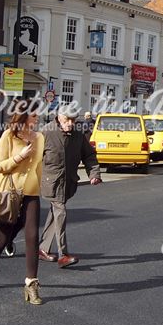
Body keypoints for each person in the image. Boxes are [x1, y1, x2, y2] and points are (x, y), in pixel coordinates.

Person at [0, 108, 46, 305]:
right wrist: (20, 156)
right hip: (9, 194)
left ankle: (31, 284)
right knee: (3, 238)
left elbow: (38, 167)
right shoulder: (8, 136)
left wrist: (40, 184)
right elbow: (0, 166)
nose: (38, 118)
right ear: (24, 116)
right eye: (34, 115)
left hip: (31, 193)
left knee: (33, 236)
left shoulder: (40, 137)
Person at [39, 110, 102, 268]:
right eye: (67, 120)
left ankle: (42, 249)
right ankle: (63, 255)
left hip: (68, 182)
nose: (70, 124)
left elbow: (89, 155)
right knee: (61, 213)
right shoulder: (46, 132)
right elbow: (33, 157)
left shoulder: (78, 135)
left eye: (73, 120)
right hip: (51, 182)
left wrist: (94, 174)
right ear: (59, 118)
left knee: (55, 214)